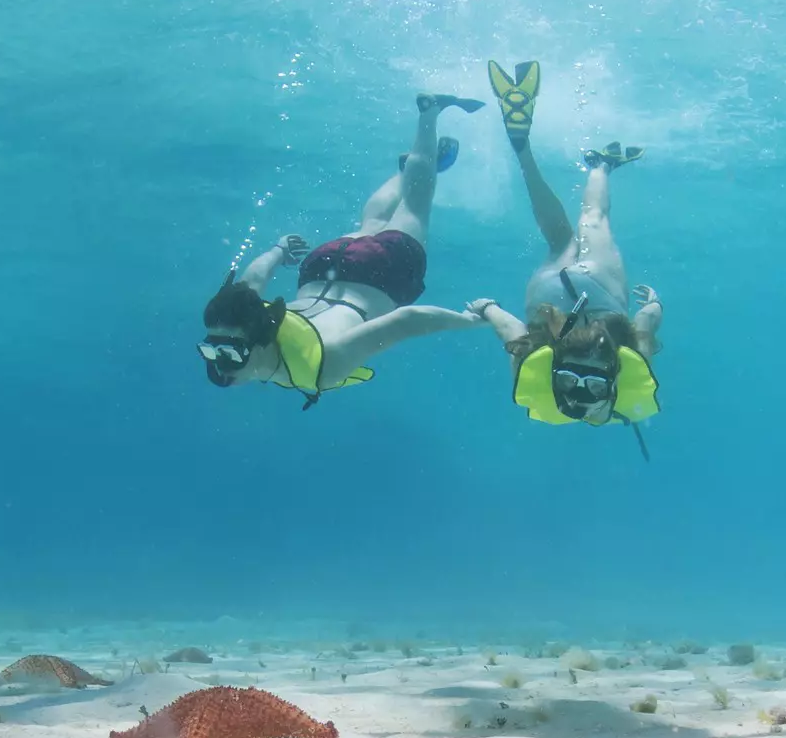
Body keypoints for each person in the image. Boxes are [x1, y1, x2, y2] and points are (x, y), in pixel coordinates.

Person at [199, 93, 491, 409]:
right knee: (374, 221)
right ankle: (405, 170)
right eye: (212, 350)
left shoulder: (324, 365)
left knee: (414, 207)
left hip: (384, 274)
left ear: (258, 344)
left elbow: (408, 320)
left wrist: (469, 321)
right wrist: (278, 250)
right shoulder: (250, 316)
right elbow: (251, 282)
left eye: (227, 353)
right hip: (322, 264)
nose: (218, 365)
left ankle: (429, 114)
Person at [467, 60, 666, 449]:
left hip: (601, 289)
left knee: (594, 219)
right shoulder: (534, 373)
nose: (582, 392)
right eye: (592, 387)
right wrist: (486, 306)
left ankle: (601, 165)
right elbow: (511, 330)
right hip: (546, 296)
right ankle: (523, 152)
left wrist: (656, 304)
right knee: (557, 237)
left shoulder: (628, 369)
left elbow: (646, 322)